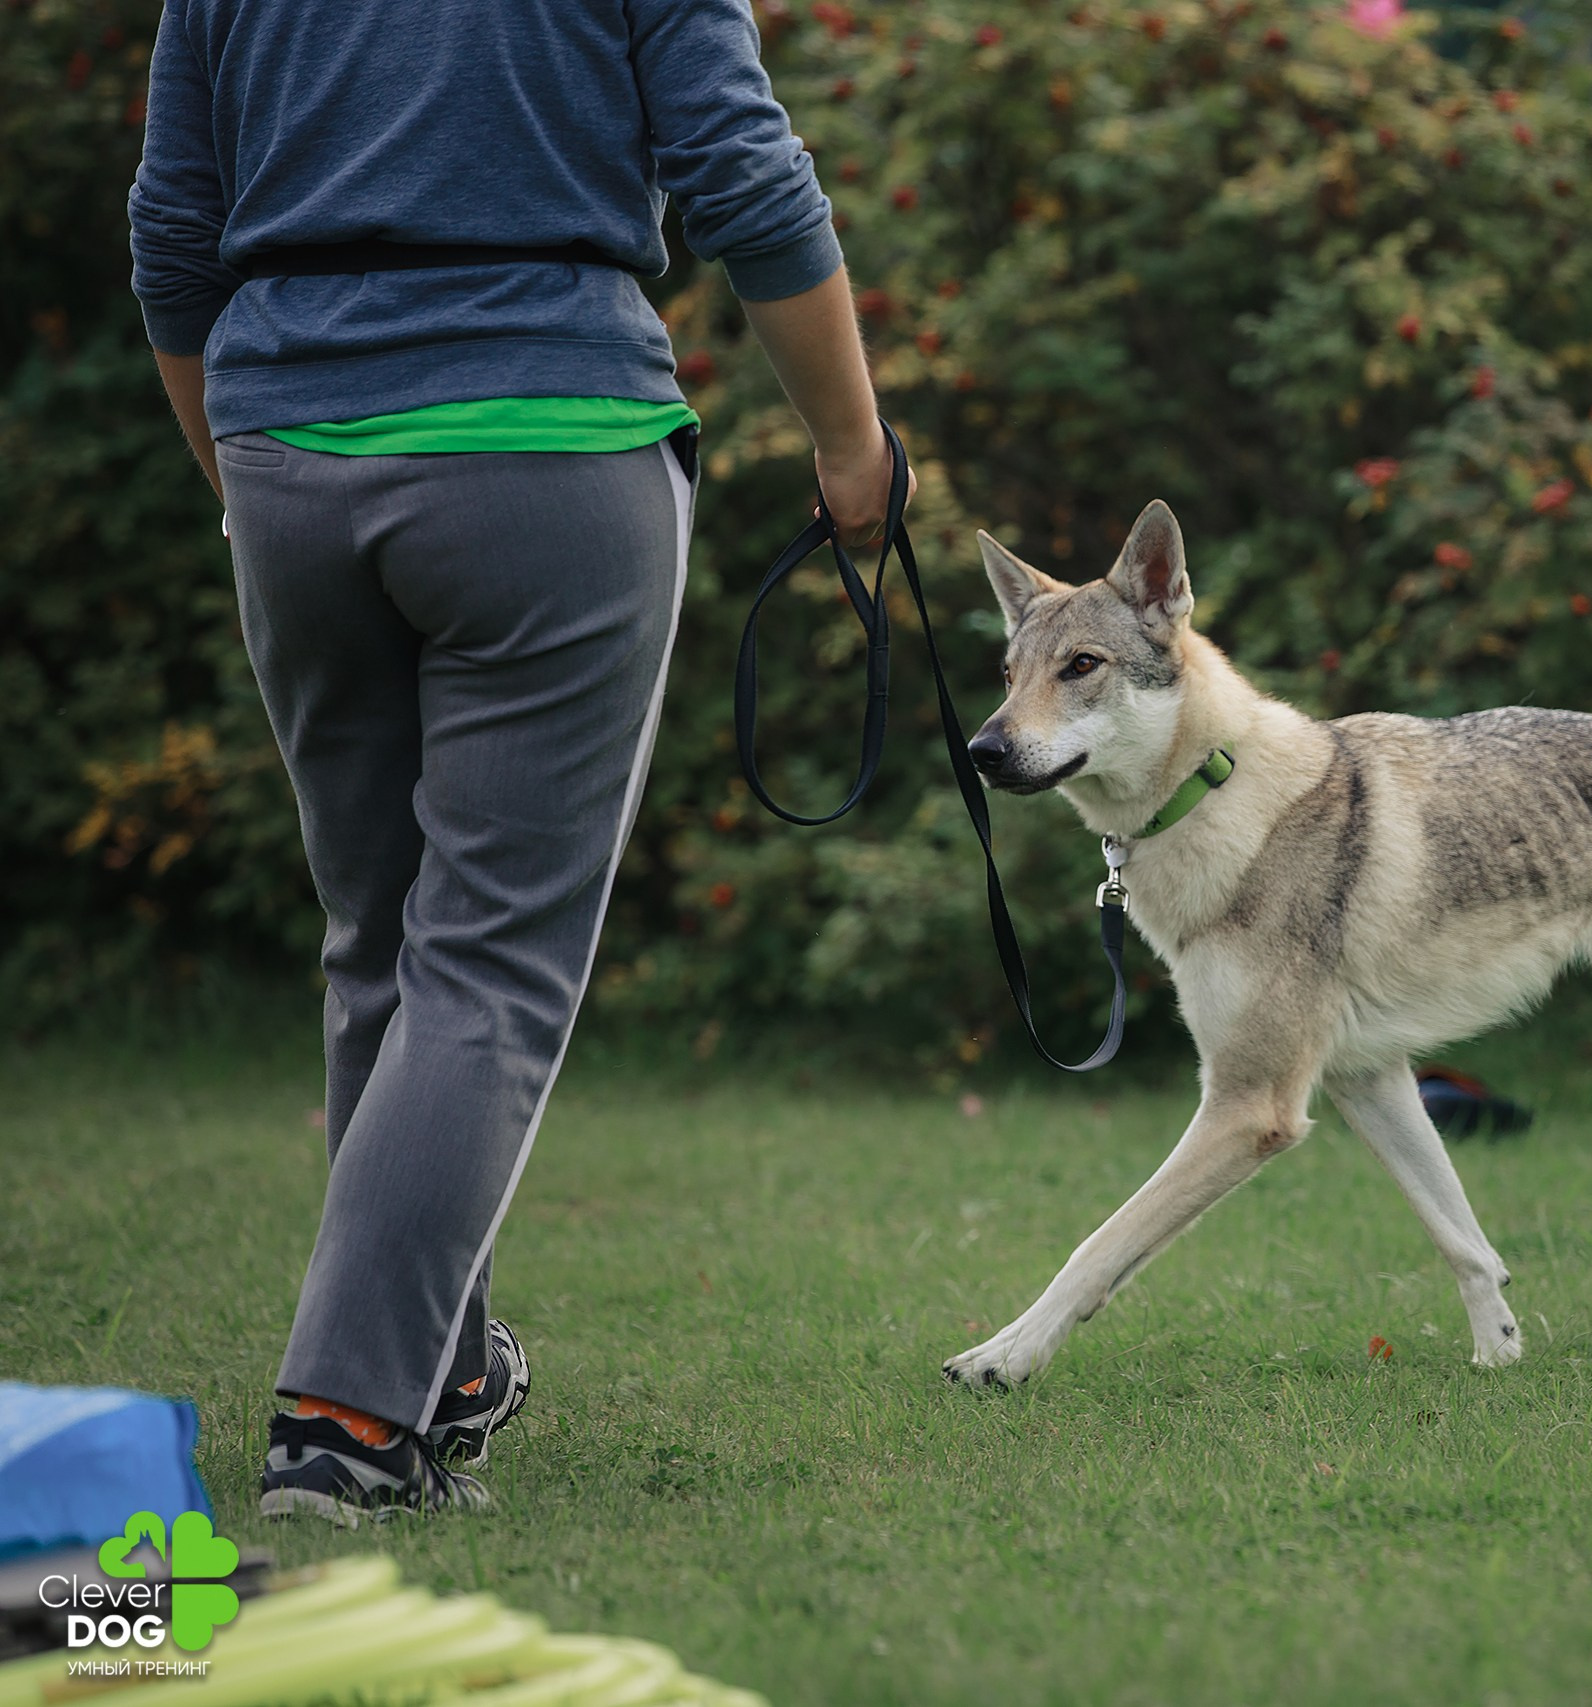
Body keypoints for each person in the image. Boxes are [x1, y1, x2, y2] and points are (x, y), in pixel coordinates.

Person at [128, 0, 908, 1523]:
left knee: (381, 945)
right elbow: (746, 174)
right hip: (549, 445)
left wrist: (251, 484)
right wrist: (853, 447)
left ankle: (442, 1369)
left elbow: (173, 235)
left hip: (289, 450)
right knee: (486, 966)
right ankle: (347, 1428)